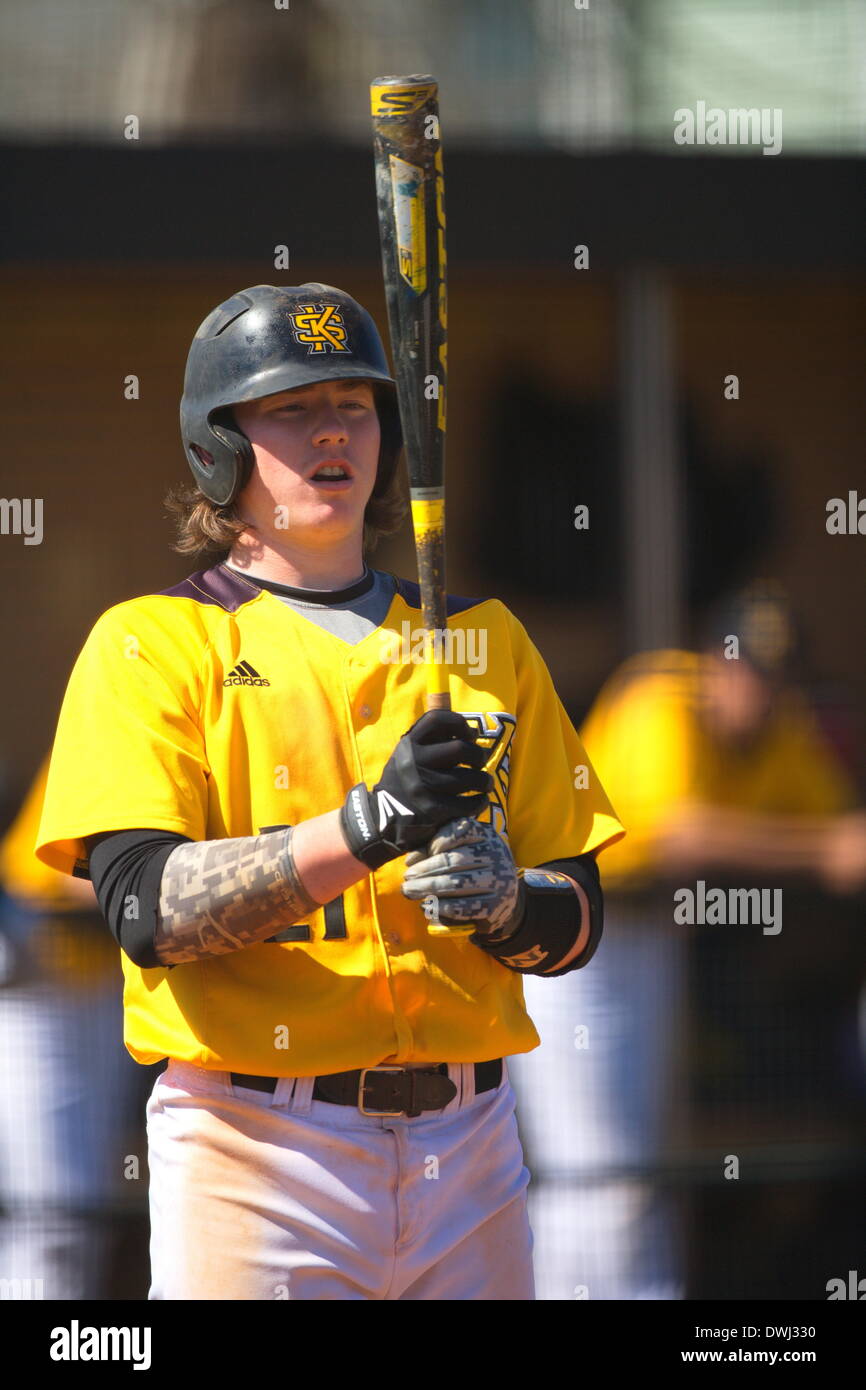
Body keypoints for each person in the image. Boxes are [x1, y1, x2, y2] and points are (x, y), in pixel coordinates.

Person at [35, 283, 625, 1301]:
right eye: (292, 408)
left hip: (470, 1144)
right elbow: (144, 907)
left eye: (353, 404)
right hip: (255, 1145)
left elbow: (577, 915)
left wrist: (506, 905)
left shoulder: (480, 640)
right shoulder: (152, 643)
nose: (331, 433)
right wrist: (366, 826)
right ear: (217, 447)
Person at [508, 583, 866, 1300]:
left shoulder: (783, 727)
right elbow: (681, 832)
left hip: (651, 940)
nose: (755, 694)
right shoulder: (664, 694)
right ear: (715, 660)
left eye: (772, 678)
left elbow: (843, 826)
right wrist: (823, 849)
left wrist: (835, 842)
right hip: (568, 944)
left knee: (648, 1164)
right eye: (744, 672)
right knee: (593, 1167)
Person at [0, 754, 143, 1300]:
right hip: (37, 1000)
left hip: (102, 997)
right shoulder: (100, 737)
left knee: (87, 1209)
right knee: (52, 1215)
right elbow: (39, 883)